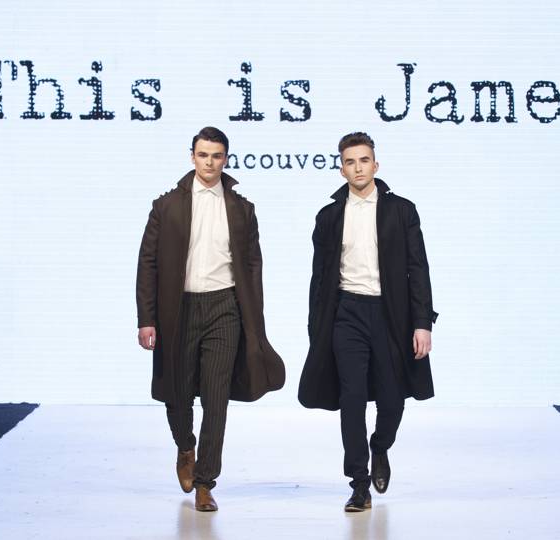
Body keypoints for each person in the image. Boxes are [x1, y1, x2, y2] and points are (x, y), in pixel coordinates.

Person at [136, 126, 285, 512]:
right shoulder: (165, 206)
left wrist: (254, 319)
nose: (210, 162)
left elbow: (253, 267)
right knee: (177, 394)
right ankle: (185, 446)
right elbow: (148, 264)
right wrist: (146, 318)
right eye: (203, 155)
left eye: (217, 156)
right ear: (192, 157)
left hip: (224, 308)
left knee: (216, 397)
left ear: (225, 159)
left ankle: (205, 482)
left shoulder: (241, 209)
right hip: (178, 309)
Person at [299, 131, 437, 512]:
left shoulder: (402, 211)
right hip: (347, 314)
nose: (357, 168)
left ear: (376, 165)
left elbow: (418, 269)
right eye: (350, 162)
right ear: (341, 169)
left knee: (393, 401)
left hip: (392, 316)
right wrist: (316, 328)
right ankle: (359, 483)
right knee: (352, 399)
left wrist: (422, 322)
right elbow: (319, 278)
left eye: (364, 160)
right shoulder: (329, 217)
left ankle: (380, 446)